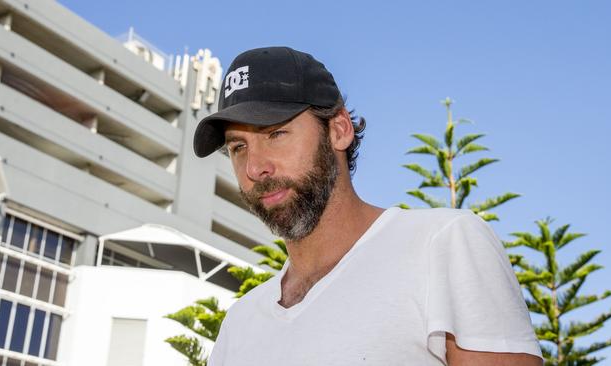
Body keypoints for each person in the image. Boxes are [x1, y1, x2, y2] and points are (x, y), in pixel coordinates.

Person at [193, 46, 543, 366]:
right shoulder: (239, 325)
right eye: (239, 147)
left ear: (339, 130)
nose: (255, 167)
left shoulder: (442, 245)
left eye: (276, 134)